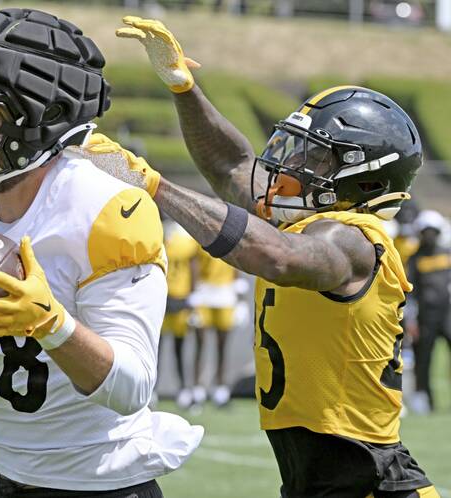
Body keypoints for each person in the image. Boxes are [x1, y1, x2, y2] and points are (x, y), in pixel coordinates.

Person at [78, 16, 440, 498]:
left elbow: (279, 258)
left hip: (369, 480)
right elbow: (231, 168)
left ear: (365, 180)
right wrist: (184, 88)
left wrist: (155, 186)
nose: (291, 167)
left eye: (315, 159)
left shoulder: (356, 239)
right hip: (320, 478)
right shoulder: (306, 221)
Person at [0, 9, 202, 497]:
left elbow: (132, 389)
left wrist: (52, 324)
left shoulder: (103, 209)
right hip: (11, 479)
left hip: (108, 485)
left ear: (37, 118)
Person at [405, 209, 451, 414]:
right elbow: (410, 292)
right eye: (426, 232)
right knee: (423, 360)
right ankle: (424, 399)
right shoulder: (414, 259)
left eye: (433, 231)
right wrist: (411, 320)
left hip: (448, 314)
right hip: (425, 317)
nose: (429, 236)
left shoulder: (447, 254)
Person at [189, 248, 237, 408]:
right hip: (204, 291)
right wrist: (193, 292)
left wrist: (240, 295)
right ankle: (197, 391)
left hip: (225, 291)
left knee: (222, 346)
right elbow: (193, 262)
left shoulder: (232, 232)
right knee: (200, 343)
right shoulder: (201, 237)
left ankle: (221, 391)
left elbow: (239, 259)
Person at [160, 218, 198, 409]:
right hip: (164, 297)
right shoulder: (159, 238)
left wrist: (193, 298)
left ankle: (183, 389)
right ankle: (152, 390)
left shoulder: (182, 241)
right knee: (159, 349)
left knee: (179, 348)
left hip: (178, 297)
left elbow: (193, 269)